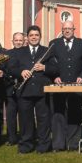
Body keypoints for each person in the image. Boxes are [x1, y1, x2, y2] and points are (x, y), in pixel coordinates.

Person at [10, 26, 58, 154]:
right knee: (26, 120)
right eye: (31, 35)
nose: (34, 37)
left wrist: (44, 67)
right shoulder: (19, 52)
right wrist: (21, 71)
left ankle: (43, 146)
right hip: (24, 90)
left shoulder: (47, 51)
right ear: (27, 37)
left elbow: (55, 68)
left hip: (42, 91)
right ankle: (26, 145)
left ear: (40, 36)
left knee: (43, 119)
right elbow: (11, 68)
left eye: (36, 35)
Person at [49, 21, 82, 151]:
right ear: (62, 30)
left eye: (69, 28)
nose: (67, 31)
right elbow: (49, 62)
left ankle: (73, 144)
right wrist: (54, 76)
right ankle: (58, 144)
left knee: (74, 113)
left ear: (74, 29)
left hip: (76, 84)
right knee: (58, 113)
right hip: (58, 84)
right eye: (64, 28)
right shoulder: (54, 43)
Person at [4, 32, 25, 146]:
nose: (18, 42)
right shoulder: (7, 54)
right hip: (10, 88)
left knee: (24, 115)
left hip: (23, 88)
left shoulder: (27, 53)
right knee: (10, 115)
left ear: (23, 41)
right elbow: (4, 69)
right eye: (16, 40)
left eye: (20, 40)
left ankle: (23, 137)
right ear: (12, 41)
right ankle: (11, 138)